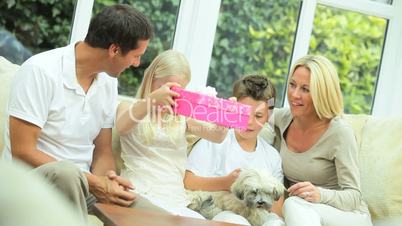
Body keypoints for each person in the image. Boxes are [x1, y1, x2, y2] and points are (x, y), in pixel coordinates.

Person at [2, 4, 164, 223]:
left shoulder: (108, 82)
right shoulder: (40, 71)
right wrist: (94, 182)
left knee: (157, 217)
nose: (136, 64)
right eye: (136, 56)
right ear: (114, 50)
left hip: (85, 185)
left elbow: (103, 151)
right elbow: (23, 152)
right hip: (34, 182)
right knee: (67, 173)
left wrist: (108, 180)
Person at [115, 49, 228, 219]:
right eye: (167, 88)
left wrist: (224, 118)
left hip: (174, 198)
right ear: (151, 79)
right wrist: (153, 100)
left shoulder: (181, 119)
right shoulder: (129, 107)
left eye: (179, 91)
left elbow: (217, 136)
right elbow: (122, 126)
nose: (171, 96)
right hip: (140, 192)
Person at [273, 55, 373, 226]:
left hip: (347, 216)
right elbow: (252, 114)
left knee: (294, 205)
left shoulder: (339, 132)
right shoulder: (284, 118)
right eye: (292, 85)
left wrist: (320, 194)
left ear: (322, 93)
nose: (294, 95)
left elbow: (354, 196)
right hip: (304, 214)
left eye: (305, 89)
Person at [184, 75, 284, 225]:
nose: (249, 122)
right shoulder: (214, 140)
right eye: (243, 113)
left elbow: (276, 208)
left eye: (258, 115)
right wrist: (225, 183)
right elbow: (188, 181)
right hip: (219, 212)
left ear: (268, 115)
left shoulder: (272, 156)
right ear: (234, 108)